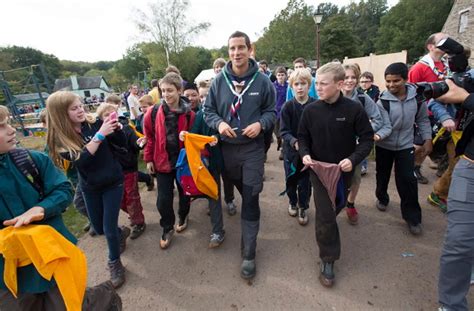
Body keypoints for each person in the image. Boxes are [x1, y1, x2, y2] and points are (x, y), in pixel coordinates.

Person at [204, 31, 276, 279]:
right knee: (238, 190)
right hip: (226, 149)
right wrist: (219, 124)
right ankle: (244, 220)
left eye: (240, 48)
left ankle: (249, 253)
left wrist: (262, 124)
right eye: (232, 49)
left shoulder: (262, 81)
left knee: (252, 197)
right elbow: (208, 110)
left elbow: (271, 111)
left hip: (252, 149)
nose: (236, 53)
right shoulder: (218, 81)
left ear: (250, 49)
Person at [298, 62, 373, 287]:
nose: (317, 88)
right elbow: (302, 137)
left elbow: (367, 139)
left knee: (335, 207)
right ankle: (328, 258)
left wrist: (353, 160)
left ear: (340, 84)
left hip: (344, 172)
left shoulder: (354, 109)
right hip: (319, 171)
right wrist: (304, 154)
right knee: (326, 215)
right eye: (317, 83)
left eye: (323, 84)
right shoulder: (310, 110)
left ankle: (328, 227)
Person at [46, 91, 129, 289]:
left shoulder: (93, 122)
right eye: (74, 108)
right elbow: (81, 160)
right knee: (99, 228)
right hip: (90, 186)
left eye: (81, 105)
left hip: (112, 181)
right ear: (60, 114)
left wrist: (116, 130)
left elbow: (122, 143)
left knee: (107, 229)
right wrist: (101, 135)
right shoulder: (59, 139)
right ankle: (120, 232)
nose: (81, 110)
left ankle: (115, 263)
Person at [0, 105, 75, 309]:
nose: (11, 130)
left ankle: (103, 298)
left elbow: (64, 188)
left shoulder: (32, 160)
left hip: (52, 260)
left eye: (8, 123)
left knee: (69, 304)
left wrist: (41, 208)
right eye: (1, 126)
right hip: (10, 277)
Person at [375, 63, 432, 235]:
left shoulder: (417, 98)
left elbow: (422, 120)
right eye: (388, 81)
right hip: (384, 145)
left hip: (406, 145)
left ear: (406, 79)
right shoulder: (382, 101)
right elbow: (381, 125)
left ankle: (412, 217)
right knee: (382, 174)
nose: (391, 85)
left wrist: (427, 139)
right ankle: (382, 198)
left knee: (407, 179)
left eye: (396, 81)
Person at [143, 72, 195, 249]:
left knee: (185, 194)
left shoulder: (190, 114)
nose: (166, 94)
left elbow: (195, 139)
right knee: (163, 199)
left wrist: (188, 137)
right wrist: (148, 158)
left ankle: (183, 215)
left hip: (182, 162)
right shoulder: (152, 112)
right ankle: (167, 227)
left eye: (170, 90)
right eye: (163, 90)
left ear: (179, 90)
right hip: (162, 161)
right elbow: (149, 136)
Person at [436, 79, 474, 311]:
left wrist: (466, 98)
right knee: (459, 240)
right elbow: (442, 97)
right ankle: (451, 305)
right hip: (469, 168)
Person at [96, 103, 147, 240]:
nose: (110, 117)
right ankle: (132, 213)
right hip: (112, 174)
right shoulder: (101, 134)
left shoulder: (125, 129)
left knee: (132, 197)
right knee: (119, 200)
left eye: (113, 113)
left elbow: (134, 140)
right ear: (101, 119)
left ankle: (138, 222)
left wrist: (139, 143)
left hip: (128, 169)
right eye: (106, 115)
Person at [342, 64, 385, 225]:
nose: (350, 81)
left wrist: (362, 131)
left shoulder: (362, 98)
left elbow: (378, 119)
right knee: (332, 176)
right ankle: (333, 203)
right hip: (334, 146)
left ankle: (350, 204)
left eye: (353, 77)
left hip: (355, 147)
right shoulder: (332, 96)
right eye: (346, 77)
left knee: (355, 178)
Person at [409, 32, 449, 184]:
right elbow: (410, 91)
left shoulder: (446, 66)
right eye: (442, 40)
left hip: (441, 113)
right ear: (431, 46)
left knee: (428, 146)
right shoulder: (419, 68)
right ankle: (405, 165)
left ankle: (416, 168)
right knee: (418, 145)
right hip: (422, 114)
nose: (447, 42)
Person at [280, 69, 314, 226]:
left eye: (303, 83)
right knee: (291, 180)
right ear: (291, 87)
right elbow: (283, 131)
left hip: (309, 153)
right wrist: (294, 141)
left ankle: (303, 206)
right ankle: (292, 202)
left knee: (306, 182)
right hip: (291, 153)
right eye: (296, 84)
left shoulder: (316, 105)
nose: (300, 87)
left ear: (309, 85)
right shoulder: (287, 107)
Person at [273, 66, 288, 160]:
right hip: (275, 111)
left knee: (284, 131)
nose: (281, 77)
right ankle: (279, 140)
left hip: (285, 111)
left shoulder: (288, 86)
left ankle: (283, 150)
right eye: (279, 75)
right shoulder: (273, 86)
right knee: (277, 131)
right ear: (276, 76)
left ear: (285, 76)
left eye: (282, 75)